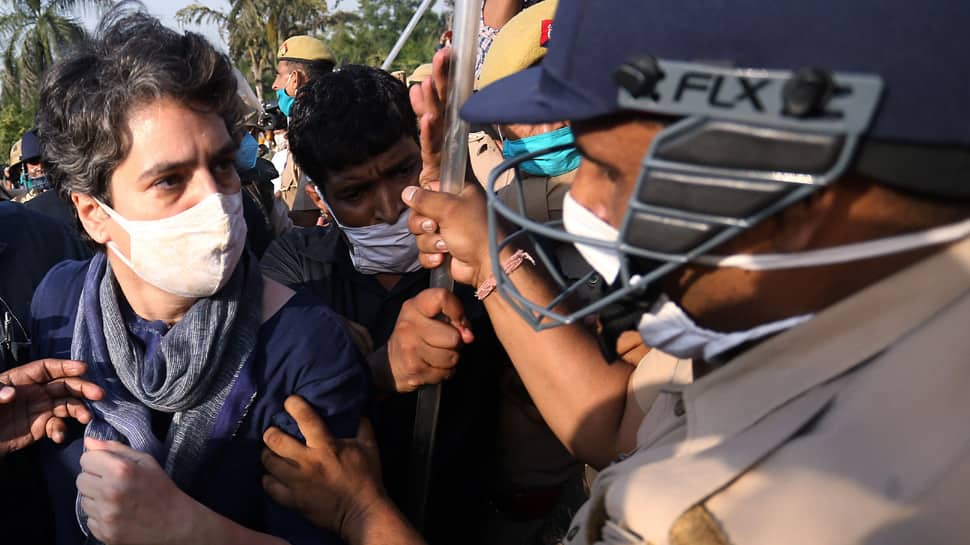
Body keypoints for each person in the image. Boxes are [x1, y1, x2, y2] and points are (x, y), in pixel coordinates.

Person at [261, 1, 970, 544]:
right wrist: (484, 246)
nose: (586, 204)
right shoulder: (796, 312)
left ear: (791, 173)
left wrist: (362, 512)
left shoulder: (772, 507)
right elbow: (611, 422)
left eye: (608, 167)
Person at [29, 7, 367, 545]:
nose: (214, 199)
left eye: (222, 164)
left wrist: (189, 529)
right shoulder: (59, 304)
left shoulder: (303, 345)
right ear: (94, 213)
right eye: (169, 180)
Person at [260, 64, 540, 545]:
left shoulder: (491, 251)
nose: (390, 206)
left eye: (402, 171)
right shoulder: (295, 270)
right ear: (318, 196)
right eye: (355, 193)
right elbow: (270, 416)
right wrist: (373, 373)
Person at [272, 35, 336, 226]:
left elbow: (305, 218)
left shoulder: (309, 133)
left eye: (279, 75)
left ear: (296, 78)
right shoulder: (327, 123)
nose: (274, 85)